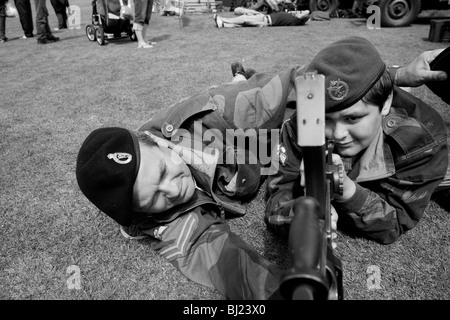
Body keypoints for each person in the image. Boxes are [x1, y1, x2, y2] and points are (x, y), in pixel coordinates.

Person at [75, 42, 447, 299]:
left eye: (162, 174)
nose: (171, 191)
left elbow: (308, 84)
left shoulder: (219, 114)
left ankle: (240, 76)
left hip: (274, 122)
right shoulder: (155, 222)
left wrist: (391, 76)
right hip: (283, 147)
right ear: (139, 214)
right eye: (153, 199)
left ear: (160, 142)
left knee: (261, 94)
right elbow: (223, 260)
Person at [265, 37, 449, 245]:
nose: (338, 133)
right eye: (325, 119)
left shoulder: (422, 142)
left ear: (386, 102)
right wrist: (297, 213)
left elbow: (396, 222)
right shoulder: (303, 121)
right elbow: (278, 192)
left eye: (352, 118)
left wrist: (348, 192)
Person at [213, 9, 310, 28]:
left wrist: (301, 14)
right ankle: (223, 24)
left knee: (244, 18)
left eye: (300, 12)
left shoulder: (296, 20)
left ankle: (223, 19)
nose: (299, 11)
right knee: (243, 23)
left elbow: (307, 12)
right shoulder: (293, 18)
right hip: (264, 19)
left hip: (264, 20)